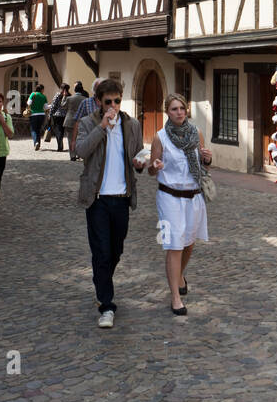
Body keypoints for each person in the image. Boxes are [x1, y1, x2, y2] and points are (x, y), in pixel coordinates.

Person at [76, 79, 146, 328]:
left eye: (117, 101)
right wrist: (102, 127)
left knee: (115, 251)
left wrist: (141, 164)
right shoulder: (88, 123)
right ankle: (106, 304)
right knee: (102, 251)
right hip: (97, 199)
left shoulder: (133, 125)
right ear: (98, 102)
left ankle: (102, 281)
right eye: (108, 102)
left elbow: (138, 156)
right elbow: (80, 151)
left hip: (122, 199)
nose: (114, 106)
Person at [149, 94, 213, 315]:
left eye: (182, 108)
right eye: (174, 109)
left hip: (193, 196)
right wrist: (154, 165)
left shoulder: (197, 134)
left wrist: (207, 159)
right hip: (169, 196)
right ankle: (175, 297)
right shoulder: (160, 138)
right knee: (174, 244)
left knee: (188, 244)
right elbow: (150, 168)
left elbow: (204, 169)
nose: (179, 112)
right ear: (167, 111)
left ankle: (179, 275)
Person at [63, 82, 88, 160]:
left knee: (70, 139)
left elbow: (63, 106)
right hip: (81, 121)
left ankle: (72, 156)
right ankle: (78, 154)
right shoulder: (85, 99)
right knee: (79, 138)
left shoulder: (69, 98)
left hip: (69, 120)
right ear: (82, 91)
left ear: (74, 90)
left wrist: (64, 96)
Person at [48, 83, 71, 152]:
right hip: (66, 115)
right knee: (63, 131)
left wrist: (50, 114)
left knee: (58, 131)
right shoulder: (69, 96)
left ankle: (60, 146)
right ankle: (61, 145)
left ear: (61, 88)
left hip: (57, 115)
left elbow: (53, 105)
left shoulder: (58, 95)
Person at [26, 83, 48, 150]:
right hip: (42, 115)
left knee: (33, 130)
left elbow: (28, 103)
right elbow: (46, 107)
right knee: (38, 130)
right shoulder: (44, 96)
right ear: (41, 89)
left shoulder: (33, 94)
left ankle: (36, 143)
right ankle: (38, 143)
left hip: (33, 114)